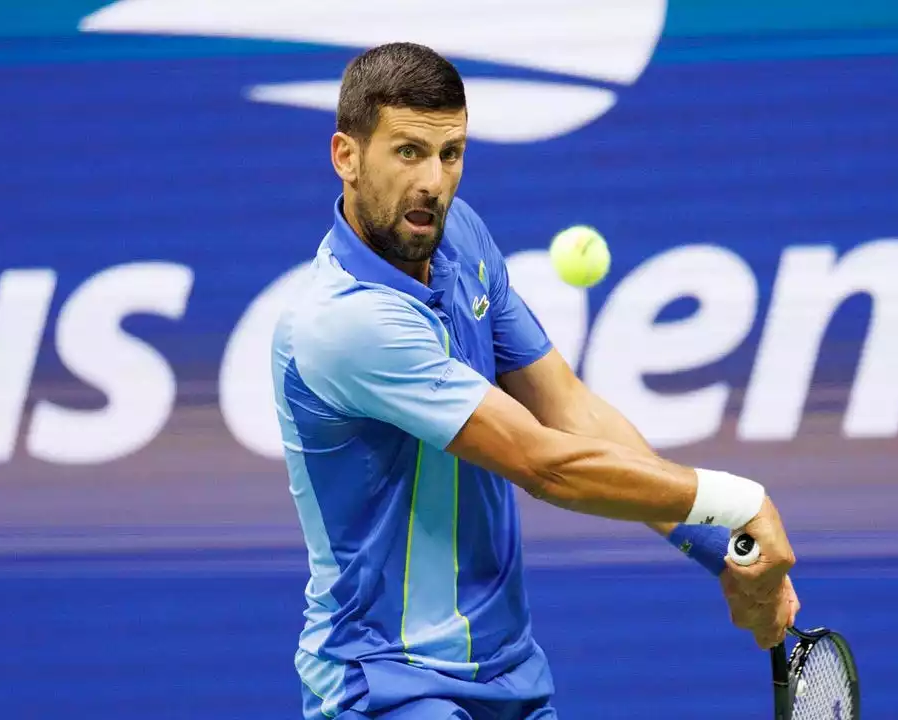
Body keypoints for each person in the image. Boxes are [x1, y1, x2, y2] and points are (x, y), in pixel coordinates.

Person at [271, 41, 800, 720]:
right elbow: (545, 464)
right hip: (385, 686)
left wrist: (721, 549)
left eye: (451, 153)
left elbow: (569, 409)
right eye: (408, 152)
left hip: (508, 677)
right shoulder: (343, 323)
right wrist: (738, 501)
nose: (433, 181)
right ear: (346, 156)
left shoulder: (457, 236)